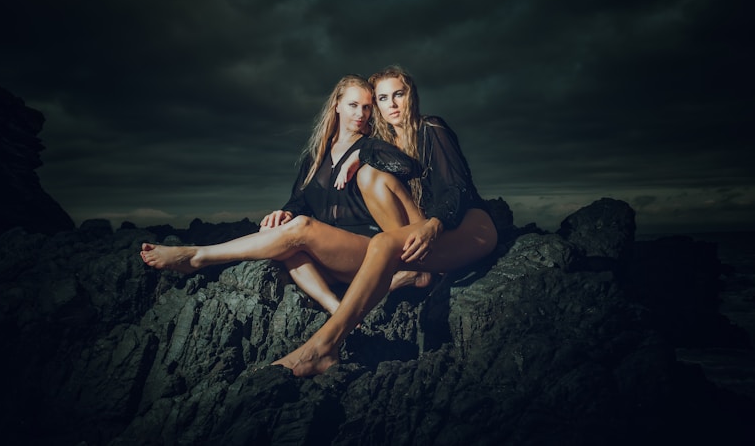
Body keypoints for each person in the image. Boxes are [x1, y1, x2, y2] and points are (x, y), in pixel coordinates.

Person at [273, 65, 498, 376]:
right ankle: (412, 274)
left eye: (398, 95)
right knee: (371, 192)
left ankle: (323, 347)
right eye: (382, 98)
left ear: (411, 96)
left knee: (381, 243)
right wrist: (361, 156)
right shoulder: (384, 143)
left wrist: (434, 226)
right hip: (424, 230)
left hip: (468, 225)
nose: (392, 104)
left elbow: (457, 188)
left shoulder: (432, 128)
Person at [140, 74, 423, 315]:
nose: (360, 114)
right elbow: (299, 202)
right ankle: (337, 309)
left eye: (366, 107)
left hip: (367, 251)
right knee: (288, 240)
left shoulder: (375, 147)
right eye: (352, 105)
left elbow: (407, 166)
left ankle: (198, 256)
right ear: (336, 105)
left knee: (302, 228)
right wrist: (285, 212)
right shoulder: (316, 157)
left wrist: (362, 153)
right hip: (332, 259)